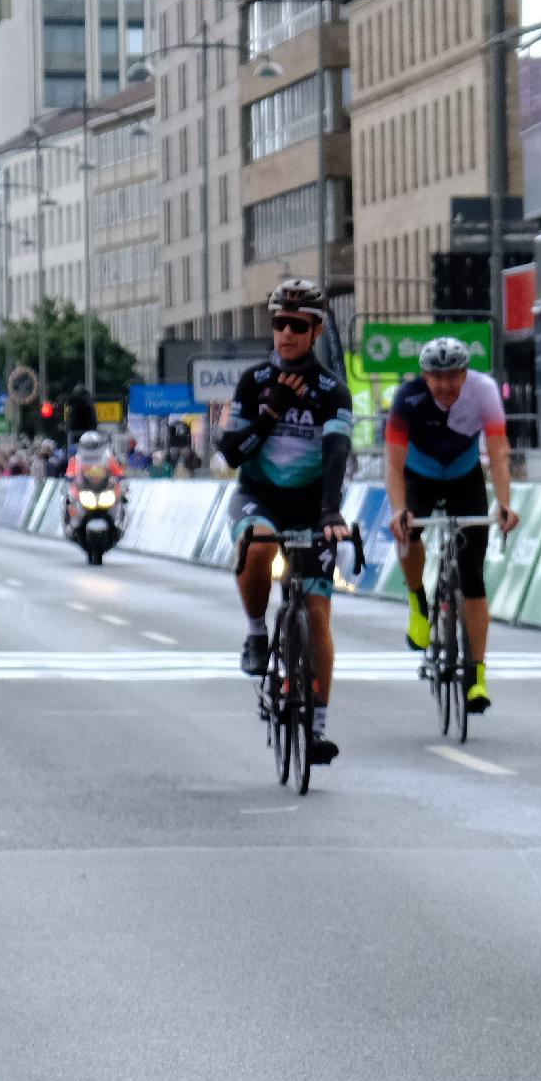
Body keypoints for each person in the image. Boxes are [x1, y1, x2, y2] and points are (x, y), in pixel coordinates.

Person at [219, 281, 357, 761]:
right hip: (259, 495)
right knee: (257, 549)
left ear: (316, 330)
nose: (287, 333)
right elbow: (231, 452)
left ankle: (316, 726)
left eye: (298, 325)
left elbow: (337, 450)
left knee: (317, 615)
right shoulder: (254, 381)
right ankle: (257, 634)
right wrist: (270, 412)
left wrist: (330, 510)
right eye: (279, 323)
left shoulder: (332, 390)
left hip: (312, 503)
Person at [385, 337, 521, 714]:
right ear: (424, 376)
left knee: (473, 578)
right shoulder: (407, 398)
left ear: (466, 373)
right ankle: (418, 601)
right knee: (408, 532)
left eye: (453, 377)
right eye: (436, 377)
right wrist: (399, 510)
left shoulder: (484, 391)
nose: (444, 386)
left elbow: (498, 452)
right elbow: (393, 463)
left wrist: (505, 504)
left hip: (464, 476)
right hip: (419, 474)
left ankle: (476, 674)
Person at [61, 427, 125, 533]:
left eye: (93, 445)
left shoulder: (108, 458)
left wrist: (120, 476)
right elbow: (70, 473)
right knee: (68, 497)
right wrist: (70, 477)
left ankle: (118, 520)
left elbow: (118, 471)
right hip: (84, 488)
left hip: (104, 488)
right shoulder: (77, 458)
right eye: (88, 445)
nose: (91, 448)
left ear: (99, 444)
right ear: (81, 445)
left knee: (121, 496)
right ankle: (71, 523)